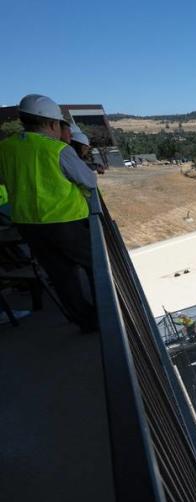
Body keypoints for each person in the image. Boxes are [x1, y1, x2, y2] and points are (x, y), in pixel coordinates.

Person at [0, 94, 98, 332]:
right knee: (96, 267)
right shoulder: (57, 150)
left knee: (61, 277)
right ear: (53, 124)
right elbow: (88, 181)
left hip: (27, 223)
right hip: (66, 221)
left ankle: (85, 321)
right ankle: (107, 313)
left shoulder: (5, 148)